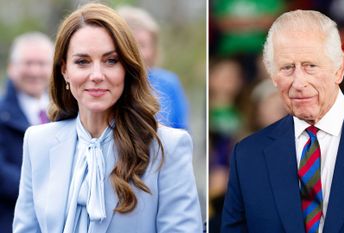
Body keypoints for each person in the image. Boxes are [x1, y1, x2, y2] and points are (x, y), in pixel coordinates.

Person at [13, 3, 202, 233]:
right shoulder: (37, 142)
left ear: (127, 68)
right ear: (64, 71)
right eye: (82, 61)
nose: (96, 75)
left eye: (110, 60)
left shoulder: (167, 147)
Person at [221, 10, 344, 233]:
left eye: (310, 66)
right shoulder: (247, 155)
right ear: (272, 76)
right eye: (287, 68)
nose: (299, 82)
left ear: (339, 69)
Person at [0, 32, 53, 233]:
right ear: (11, 68)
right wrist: (46, 190)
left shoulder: (69, 113)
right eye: (28, 63)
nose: (35, 71)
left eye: (42, 64)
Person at [117, 6, 189, 129]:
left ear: (153, 49)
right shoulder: (110, 83)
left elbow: (181, 130)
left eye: (142, 45)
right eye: (129, 44)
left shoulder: (169, 83)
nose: (135, 53)